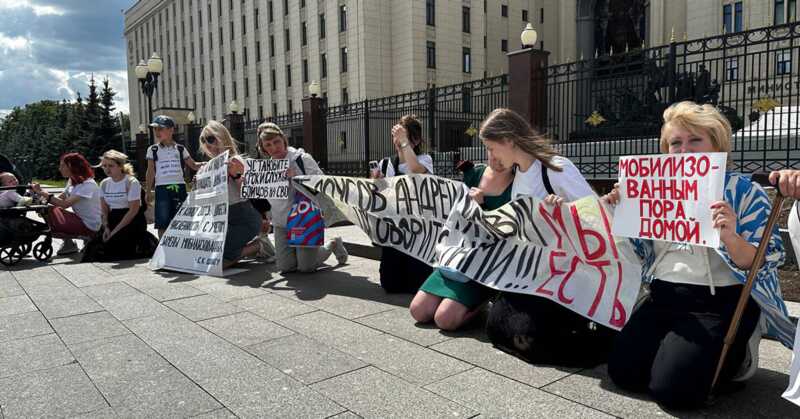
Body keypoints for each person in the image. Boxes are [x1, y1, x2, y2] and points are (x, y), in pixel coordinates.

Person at [603, 101, 793, 409]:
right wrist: (620, 212)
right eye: (675, 142)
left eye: (695, 140)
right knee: (624, 373)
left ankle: (738, 352)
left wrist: (730, 236)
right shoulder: (653, 190)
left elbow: (761, 261)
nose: (684, 150)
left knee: (673, 393)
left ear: (717, 144)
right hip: (663, 295)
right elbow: (638, 254)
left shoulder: (745, 192)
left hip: (718, 302)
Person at [477, 108, 613, 367]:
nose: (490, 156)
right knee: (495, 326)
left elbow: (598, 218)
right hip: (535, 272)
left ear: (509, 140)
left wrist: (564, 214)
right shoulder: (518, 175)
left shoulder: (556, 168)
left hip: (567, 274)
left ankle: (598, 341)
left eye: (492, 148)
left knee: (526, 337)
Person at [410, 156, 513, 330]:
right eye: (490, 148)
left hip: (482, 266)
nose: (495, 157)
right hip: (456, 258)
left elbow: (508, 232)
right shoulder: (475, 173)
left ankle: (482, 301)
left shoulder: (519, 184)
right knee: (418, 311)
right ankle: (459, 301)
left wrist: (482, 209)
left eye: (498, 149)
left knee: (445, 320)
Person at [256, 122, 347, 273]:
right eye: (268, 145)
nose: (274, 147)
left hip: (304, 219)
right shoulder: (266, 169)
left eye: (276, 142)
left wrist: (297, 177)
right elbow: (262, 198)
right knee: (285, 267)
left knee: (306, 267)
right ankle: (300, 253)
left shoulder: (302, 158)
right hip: (281, 223)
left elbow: (322, 183)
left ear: (284, 139)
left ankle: (333, 243)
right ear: (264, 148)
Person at [370, 115, 435, 293]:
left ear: (416, 139)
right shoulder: (385, 163)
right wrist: (377, 183)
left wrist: (405, 142)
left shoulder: (424, 160)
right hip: (394, 231)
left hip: (417, 231)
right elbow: (378, 196)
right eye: (396, 137)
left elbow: (414, 171)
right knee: (390, 285)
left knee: (417, 285)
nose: (398, 141)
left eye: (404, 136)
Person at [199, 121, 262, 268]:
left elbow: (252, 192)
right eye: (203, 140)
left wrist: (236, 175)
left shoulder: (235, 160)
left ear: (221, 137)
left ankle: (259, 246)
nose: (207, 144)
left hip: (243, 216)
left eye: (210, 138)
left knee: (217, 263)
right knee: (207, 256)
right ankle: (248, 248)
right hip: (220, 219)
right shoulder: (206, 167)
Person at [83, 150, 157, 261]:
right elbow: (104, 209)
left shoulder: (132, 182)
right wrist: (106, 227)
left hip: (132, 220)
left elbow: (133, 210)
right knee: (93, 248)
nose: (107, 169)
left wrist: (114, 231)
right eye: (104, 166)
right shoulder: (104, 183)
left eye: (111, 166)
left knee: (117, 246)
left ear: (120, 166)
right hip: (113, 218)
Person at [31, 153, 102, 255]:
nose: (60, 168)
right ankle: (69, 243)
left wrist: (42, 193)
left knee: (50, 211)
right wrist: (41, 199)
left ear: (72, 167)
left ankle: (89, 237)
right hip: (82, 219)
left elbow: (64, 204)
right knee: (48, 210)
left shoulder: (88, 185)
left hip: (91, 224)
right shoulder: (73, 180)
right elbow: (61, 197)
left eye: (62, 166)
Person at [144, 115, 201, 238]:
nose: (157, 132)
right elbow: (150, 171)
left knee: (182, 220)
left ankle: (180, 249)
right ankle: (162, 252)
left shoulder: (180, 149)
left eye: (160, 129)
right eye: (155, 129)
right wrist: (148, 190)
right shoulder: (153, 149)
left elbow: (194, 165)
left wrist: (211, 163)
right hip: (162, 189)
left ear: (171, 130)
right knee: (162, 223)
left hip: (179, 188)